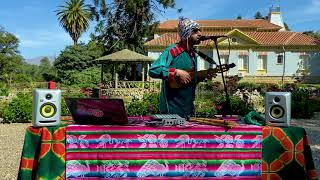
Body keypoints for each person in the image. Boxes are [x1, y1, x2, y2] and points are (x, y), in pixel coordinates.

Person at [149, 17, 217, 119]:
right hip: (171, 112)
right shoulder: (173, 50)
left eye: (199, 30)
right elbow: (153, 70)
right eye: (195, 31)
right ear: (186, 34)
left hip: (188, 111)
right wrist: (176, 72)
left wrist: (202, 76)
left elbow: (187, 80)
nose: (200, 34)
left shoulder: (192, 55)